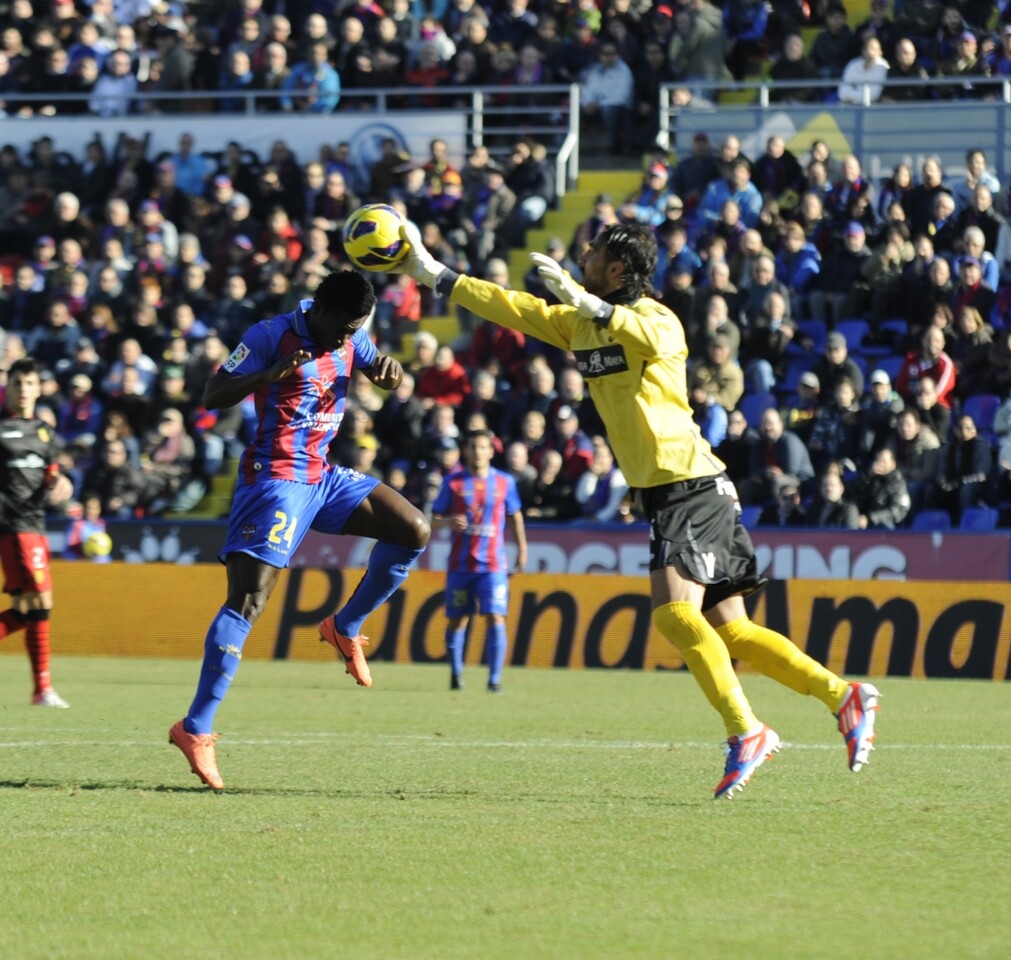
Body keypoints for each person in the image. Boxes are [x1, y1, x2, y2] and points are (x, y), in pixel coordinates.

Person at [384, 219, 881, 799]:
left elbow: (647, 340)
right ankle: (841, 696)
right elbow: (508, 305)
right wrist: (432, 273)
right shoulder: (580, 325)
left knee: (674, 615)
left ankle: (747, 730)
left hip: (689, 482)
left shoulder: (658, 317)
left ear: (618, 269)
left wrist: (590, 303)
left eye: (593, 251)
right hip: (677, 491)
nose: (584, 253)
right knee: (734, 632)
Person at [169, 271, 431, 790]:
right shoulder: (269, 336)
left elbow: (381, 369)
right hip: (275, 479)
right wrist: (266, 376)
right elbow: (212, 393)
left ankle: (346, 626)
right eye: (343, 330)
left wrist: (390, 374)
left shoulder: (350, 333)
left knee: (413, 530)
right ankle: (194, 729)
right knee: (249, 601)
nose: (347, 339)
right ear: (323, 312)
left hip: (324, 475)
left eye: (356, 330)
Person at [0, 358, 75, 707]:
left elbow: (52, 473)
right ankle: (42, 688)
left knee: (30, 609)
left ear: (38, 388)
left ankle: (41, 689)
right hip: (12, 525)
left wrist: (61, 484)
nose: (24, 390)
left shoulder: (44, 432)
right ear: (8, 386)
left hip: (36, 523)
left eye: (30, 383)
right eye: (18, 383)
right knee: (41, 600)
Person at [431, 429, 527, 693]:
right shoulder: (453, 483)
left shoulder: (505, 482)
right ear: (466, 450)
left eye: (483, 447)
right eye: (473, 447)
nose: (478, 452)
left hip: (493, 565)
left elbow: (514, 516)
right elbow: (433, 521)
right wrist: (448, 522)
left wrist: (522, 549)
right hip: (461, 566)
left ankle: (494, 680)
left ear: (491, 451)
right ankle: (456, 674)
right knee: (458, 620)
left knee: (495, 617)